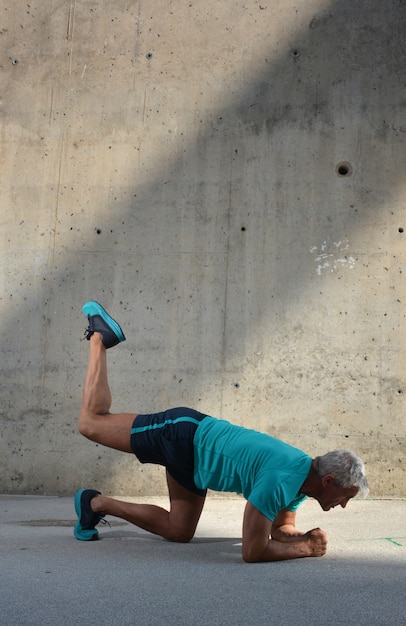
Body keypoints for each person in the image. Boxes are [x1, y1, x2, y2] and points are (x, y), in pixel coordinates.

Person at [74, 301, 369, 562]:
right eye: (346, 496)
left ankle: (94, 503)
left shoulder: (302, 482)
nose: (343, 504)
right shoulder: (281, 479)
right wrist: (306, 549)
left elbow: (280, 530)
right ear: (329, 480)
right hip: (181, 434)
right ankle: (99, 337)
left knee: (179, 531)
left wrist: (302, 538)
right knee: (90, 424)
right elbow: (252, 553)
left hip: (195, 461)